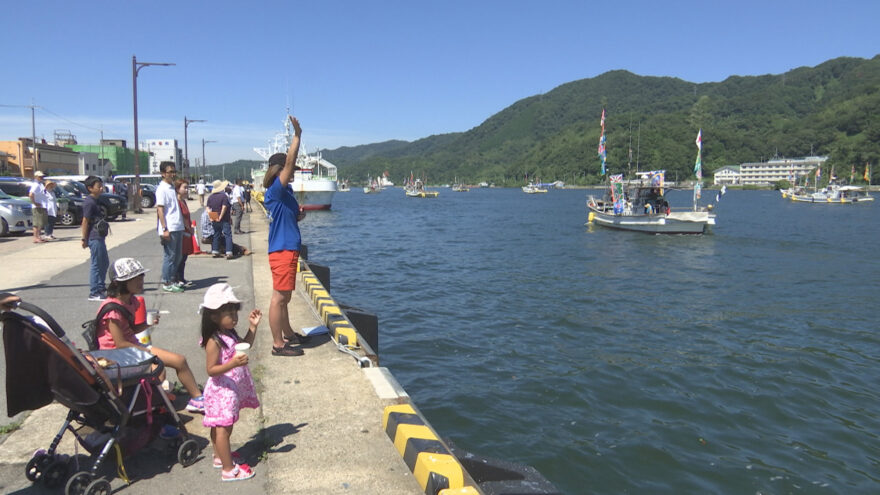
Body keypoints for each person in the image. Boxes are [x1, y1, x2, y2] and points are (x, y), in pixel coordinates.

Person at [96, 257, 205, 413]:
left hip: (131, 348)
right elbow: (119, 344)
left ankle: (197, 399)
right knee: (157, 370)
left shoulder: (131, 300)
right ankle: (153, 407)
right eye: (133, 278)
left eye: (141, 276)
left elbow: (130, 331)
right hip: (116, 356)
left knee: (179, 361)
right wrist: (147, 353)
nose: (140, 281)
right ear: (118, 283)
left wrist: (147, 324)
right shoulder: (112, 309)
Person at [199, 283, 260, 481]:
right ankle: (228, 469)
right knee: (222, 430)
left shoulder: (229, 334)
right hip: (220, 391)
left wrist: (252, 327)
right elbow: (211, 370)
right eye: (229, 313)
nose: (234, 317)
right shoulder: (214, 341)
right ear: (214, 316)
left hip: (229, 390)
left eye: (235, 312)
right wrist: (232, 363)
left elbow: (245, 345)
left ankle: (219, 456)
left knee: (224, 426)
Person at [263, 115, 310, 357]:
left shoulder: (286, 192)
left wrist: (297, 216)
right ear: (280, 170)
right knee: (279, 298)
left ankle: (289, 334)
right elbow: (290, 160)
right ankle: (277, 344)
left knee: (286, 297)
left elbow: (285, 216)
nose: (293, 172)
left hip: (286, 247)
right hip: (282, 250)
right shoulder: (276, 190)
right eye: (290, 170)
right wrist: (297, 135)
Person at [156, 162, 186, 293]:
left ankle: (173, 279)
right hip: (170, 227)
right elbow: (160, 210)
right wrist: (164, 228)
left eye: (174, 171)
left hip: (178, 226)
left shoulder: (171, 186)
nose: (173, 174)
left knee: (178, 256)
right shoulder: (161, 189)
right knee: (170, 256)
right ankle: (167, 281)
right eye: (170, 172)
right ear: (163, 173)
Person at [81, 176, 109, 301]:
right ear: (90, 188)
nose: (101, 188)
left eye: (101, 185)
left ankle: (101, 287)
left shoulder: (96, 200)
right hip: (94, 237)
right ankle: (94, 292)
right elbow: (85, 221)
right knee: (96, 264)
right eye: (99, 186)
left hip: (100, 236)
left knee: (104, 262)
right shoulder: (89, 202)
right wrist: (84, 238)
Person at [206, 179, 234, 259]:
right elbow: (224, 207)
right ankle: (228, 251)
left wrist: (211, 216)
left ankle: (215, 250)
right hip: (224, 218)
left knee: (216, 234)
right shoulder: (224, 196)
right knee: (227, 234)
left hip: (214, 217)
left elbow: (208, 208)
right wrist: (220, 216)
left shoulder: (210, 197)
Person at [175, 178, 194, 287]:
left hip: (186, 232)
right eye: (184, 187)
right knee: (180, 256)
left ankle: (181, 277)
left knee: (184, 256)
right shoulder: (177, 202)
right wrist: (189, 228)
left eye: (187, 187)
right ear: (178, 189)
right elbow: (182, 218)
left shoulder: (183, 201)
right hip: (182, 232)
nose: (187, 190)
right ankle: (177, 278)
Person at [29, 171, 50, 243]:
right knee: (37, 223)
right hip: (37, 207)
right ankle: (35, 237)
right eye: (40, 176)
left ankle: (39, 236)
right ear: (36, 177)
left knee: (40, 223)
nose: (41, 177)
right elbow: (31, 194)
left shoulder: (40, 184)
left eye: (42, 176)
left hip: (42, 206)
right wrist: (35, 203)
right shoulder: (35, 185)